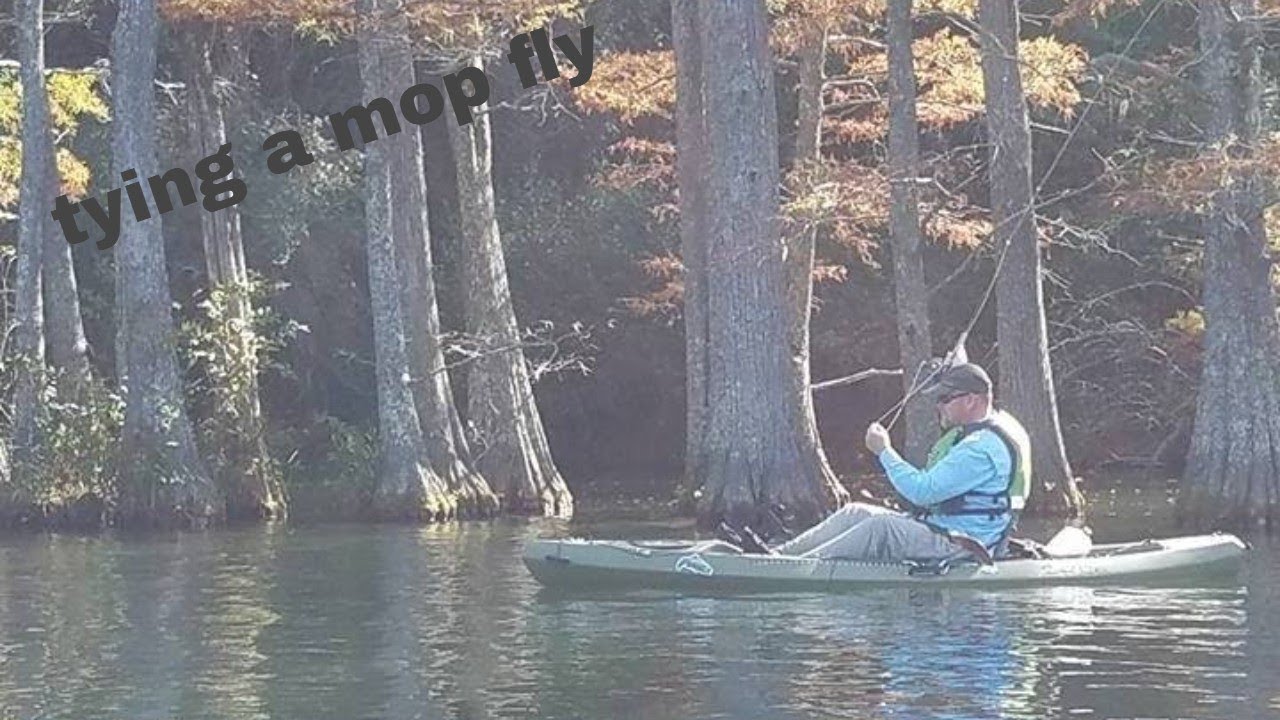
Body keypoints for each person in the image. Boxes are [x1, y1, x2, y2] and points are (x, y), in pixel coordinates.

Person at [769, 362, 1032, 562]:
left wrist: (884, 451)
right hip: (947, 529)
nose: (938, 407)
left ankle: (796, 568)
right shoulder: (995, 424)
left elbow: (922, 492)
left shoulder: (980, 448)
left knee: (882, 527)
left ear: (971, 400)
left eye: (944, 399)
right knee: (855, 511)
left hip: (965, 544)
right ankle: (776, 555)